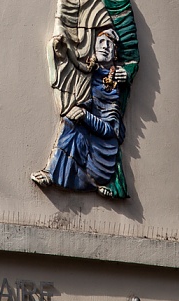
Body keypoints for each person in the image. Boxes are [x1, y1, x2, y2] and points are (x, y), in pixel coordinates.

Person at [32, 31, 125, 196]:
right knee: (70, 122)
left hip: (100, 155)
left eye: (109, 44)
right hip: (85, 143)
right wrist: (63, 54)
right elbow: (73, 77)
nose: (105, 46)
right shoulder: (90, 74)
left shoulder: (112, 86)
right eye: (101, 42)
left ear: (115, 53)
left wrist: (84, 115)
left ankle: (54, 173)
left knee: (73, 126)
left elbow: (110, 129)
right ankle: (52, 172)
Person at [47, 0, 112, 117]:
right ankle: (68, 107)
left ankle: (83, 105)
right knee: (59, 55)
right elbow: (61, 12)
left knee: (86, 77)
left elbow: (99, 14)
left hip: (88, 46)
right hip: (66, 40)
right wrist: (61, 35)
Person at [94, 0, 140, 198]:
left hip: (111, 77)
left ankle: (114, 182)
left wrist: (127, 71)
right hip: (89, 69)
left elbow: (131, 50)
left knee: (107, 126)